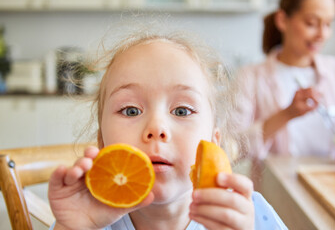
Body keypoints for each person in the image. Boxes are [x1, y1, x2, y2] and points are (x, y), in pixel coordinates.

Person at [47, 23, 288, 230]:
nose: (156, 128)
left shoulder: (248, 216)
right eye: (131, 110)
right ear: (102, 143)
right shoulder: (86, 220)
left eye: (182, 111)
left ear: (214, 142)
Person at [232, 0, 335, 190]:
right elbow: (232, 148)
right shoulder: (250, 77)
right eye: (311, 23)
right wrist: (287, 114)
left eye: (328, 24)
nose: (322, 34)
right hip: (276, 195)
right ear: (283, 20)